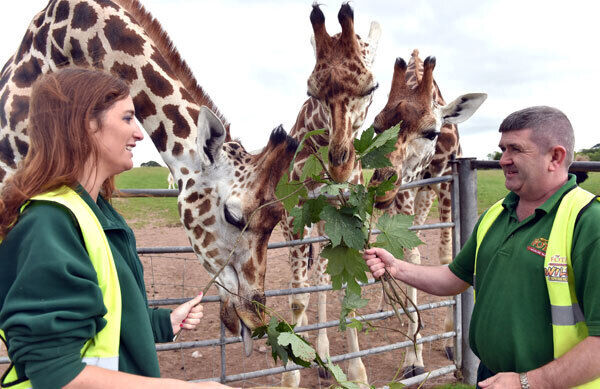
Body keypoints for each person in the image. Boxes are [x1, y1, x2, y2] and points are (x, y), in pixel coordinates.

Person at [0, 68, 233, 388]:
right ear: (85, 125)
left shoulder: (97, 213)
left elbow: (105, 318)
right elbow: (57, 374)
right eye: (127, 118)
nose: (139, 133)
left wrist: (163, 322)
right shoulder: (49, 224)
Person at [363, 106, 600, 389]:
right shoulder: (496, 215)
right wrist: (397, 267)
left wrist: (529, 382)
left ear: (555, 157)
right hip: (492, 378)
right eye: (502, 149)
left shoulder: (589, 224)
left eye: (516, 150)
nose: (503, 160)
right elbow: (455, 278)